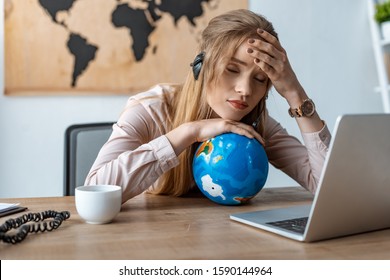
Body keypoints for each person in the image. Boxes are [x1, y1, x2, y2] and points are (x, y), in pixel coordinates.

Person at [85, 9, 331, 203]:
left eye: (260, 79)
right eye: (232, 69)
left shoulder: (255, 125)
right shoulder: (150, 110)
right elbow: (94, 190)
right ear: (200, 66)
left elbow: (330, 190)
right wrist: (188, 132)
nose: (245, 90)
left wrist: (294, 93)